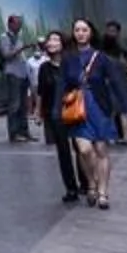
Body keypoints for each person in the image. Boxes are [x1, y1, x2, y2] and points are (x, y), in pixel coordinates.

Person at [56, 18, 127, 210]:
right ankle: (91, 182)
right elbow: (62, 85)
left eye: (84, 30)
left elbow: (117, 82)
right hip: (77, 108)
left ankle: (102, 191)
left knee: (101, 150)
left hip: (99, 107)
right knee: (84, 150)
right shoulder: (68, 58)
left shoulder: (101, 58)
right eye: (77, 30)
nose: (81, 33)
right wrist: (55, 110)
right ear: (73, 33)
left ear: (91, 33)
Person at [37, 31, 83, 204]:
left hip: (75, 111)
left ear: (63, 43)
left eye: (56, 39)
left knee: (81, 148)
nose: (52, 42)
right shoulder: (44, 68)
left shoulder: (72, 63)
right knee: (63, 151)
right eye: (49, 40)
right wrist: (38, 112)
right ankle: (70, 188)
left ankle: (85, 183)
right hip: (55, 113)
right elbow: (41, 92)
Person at [0, 15, 35, 142]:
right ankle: (13, 133)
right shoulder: (4, 37)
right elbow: (6, 55)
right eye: (17, 23)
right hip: (12, 74)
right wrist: (22, 47)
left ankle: (24, 132)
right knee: (14, 104)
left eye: (20, 23)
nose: (19, 26)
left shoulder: (18, 37)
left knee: (23, 105)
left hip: (23, 73)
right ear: (9, 24)